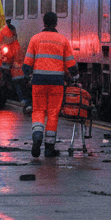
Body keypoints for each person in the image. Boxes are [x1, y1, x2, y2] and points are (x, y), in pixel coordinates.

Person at [23, 12, 78, 158]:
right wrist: (76, 78)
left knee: (39, 110)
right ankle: (49, 148)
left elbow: (26, 65)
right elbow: (72, 66)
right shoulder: (63, 40)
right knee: (53, 114)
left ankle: (37, 136)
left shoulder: (35, 39)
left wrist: (27, 76)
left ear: (43, 22)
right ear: (56, 23)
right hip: (56, 82)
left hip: (39, 81)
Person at [0, 21, 30, 112]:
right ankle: (24, 101)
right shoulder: (10, 45)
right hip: (13, 71)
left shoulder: (15, 46)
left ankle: (24, 101)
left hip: (15, 72)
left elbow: (12, 60)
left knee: (18, 86)